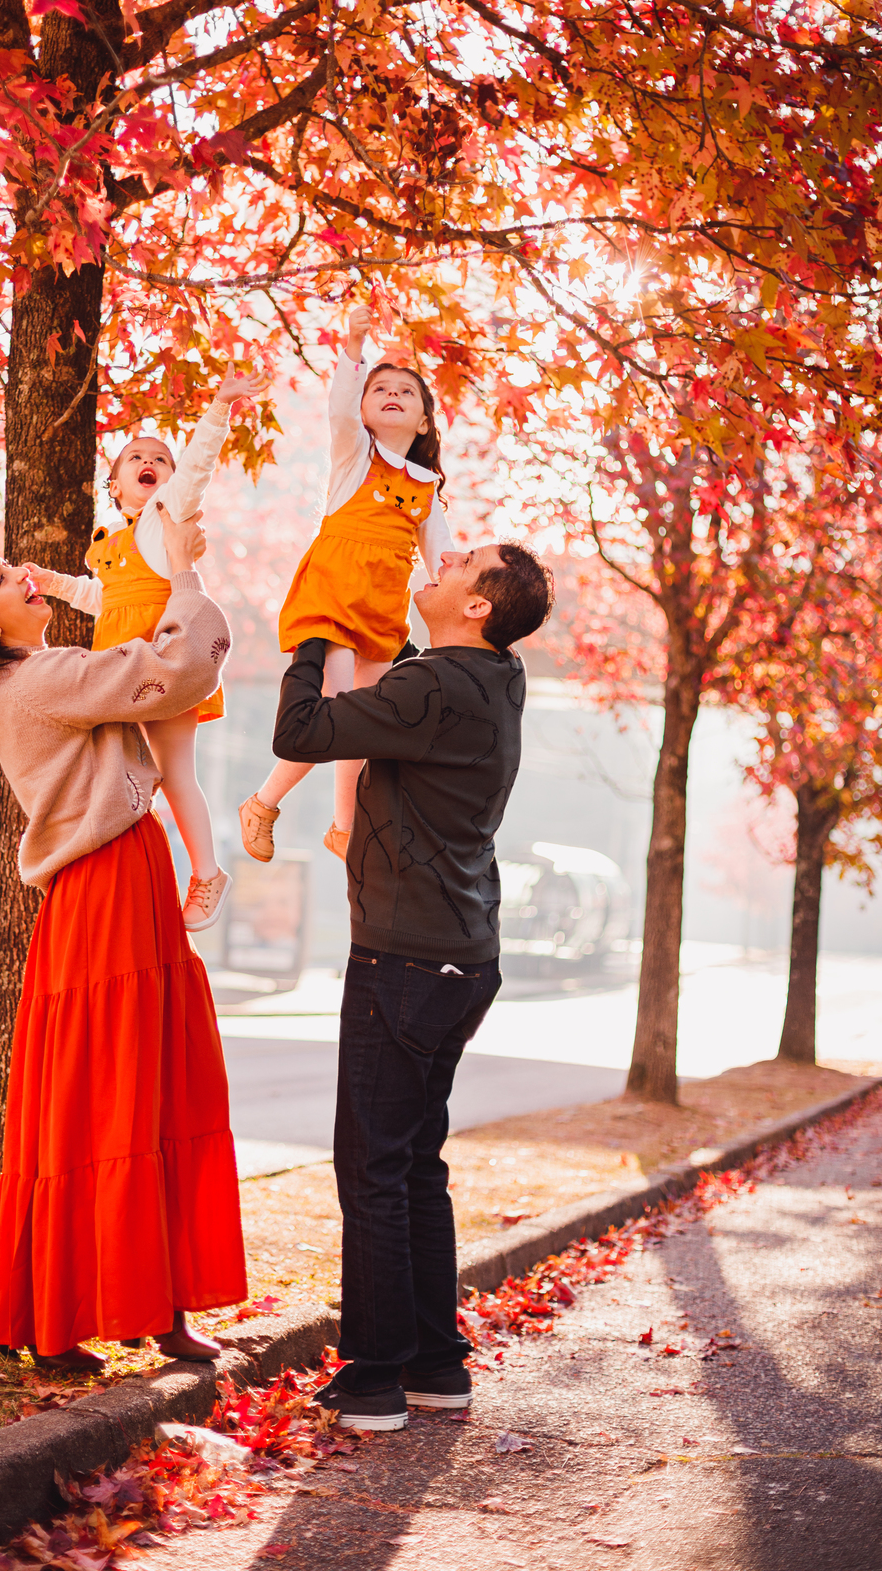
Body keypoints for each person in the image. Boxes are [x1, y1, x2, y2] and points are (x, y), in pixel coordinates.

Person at [0, 506, 246, 1372]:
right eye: (2, 577)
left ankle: (135, 1305)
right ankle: (89, 1313)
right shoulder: (39, 678)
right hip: (106, 888)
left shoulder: (27, 676)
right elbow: (172, 671)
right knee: (126, 1093)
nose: (26, 574)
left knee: (133, 1091)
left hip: (109, 887)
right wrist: (183, 575)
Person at [271, 540, 555, 1429]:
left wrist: (311, 637)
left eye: (460, 561)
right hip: (462, 958)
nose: (443, 557)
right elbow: (405, 677)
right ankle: (437, 1364)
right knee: (414, 1165)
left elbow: (303, 733)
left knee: (375, 1171)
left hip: (402, 960)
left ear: (478, 608)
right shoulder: (492, 679)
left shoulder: (433, 689)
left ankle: (375, 1378)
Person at [24, 366, 268, 933]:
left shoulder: (164, 523)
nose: (148, 461)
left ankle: (207, 874)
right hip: (116, 676)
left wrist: (221, 405)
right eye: (135, 457)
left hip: (162, 666)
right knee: (122, 777)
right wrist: (56, 584)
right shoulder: (110, 543)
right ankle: (129, 878)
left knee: (175, 771)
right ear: (114, 485)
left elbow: (199, 466)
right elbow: (106, 603)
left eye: (159, 457)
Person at [239, 302, 453, 864]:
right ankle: (263, 802)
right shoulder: (354, 457)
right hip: (335, 596)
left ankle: (342, 828)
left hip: (382, 614)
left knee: (359, 721)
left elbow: (443, 562)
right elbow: (338, 412)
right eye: (379, 389)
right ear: (362, 409)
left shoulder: (428, 488)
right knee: (332, 704)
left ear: (425, 421)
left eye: (407, 393)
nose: (392, 395)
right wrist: (354, 350)